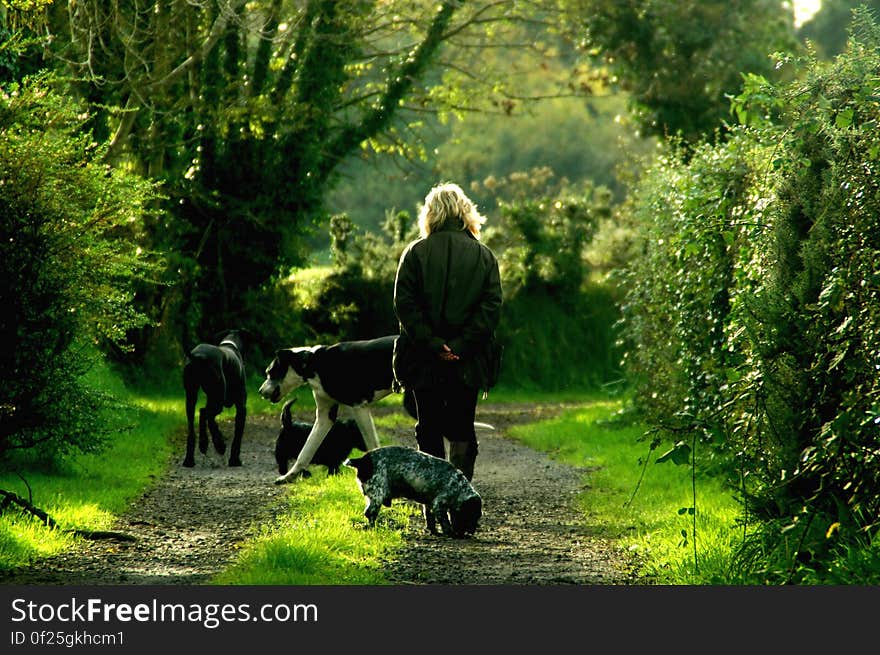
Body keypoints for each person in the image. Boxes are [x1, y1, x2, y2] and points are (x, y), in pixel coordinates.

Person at [392, 182, 503, 481]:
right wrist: (460, 346)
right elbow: (491, 307)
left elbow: (404, 305)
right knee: (463, 427)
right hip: (469, 360)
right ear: (465, 212)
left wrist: (434, 344)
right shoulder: (484, 256)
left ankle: (432, 501)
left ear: (430, 214)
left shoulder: (414, 253)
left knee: (428, 426)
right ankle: (461, 501)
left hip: (422, 358)